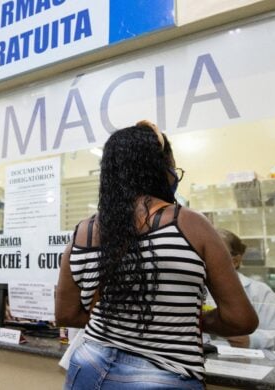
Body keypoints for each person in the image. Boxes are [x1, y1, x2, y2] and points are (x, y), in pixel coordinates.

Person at [55, 120, 258, 389]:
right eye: (173, 167)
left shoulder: (84, 231)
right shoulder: (191, 226)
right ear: (160, 170)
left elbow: (66, 313)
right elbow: (241, 319)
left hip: (89, 366)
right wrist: (186, 320)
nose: (175, 175)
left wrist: (119, 317)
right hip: (162, 375)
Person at [205, 229, 275, 351]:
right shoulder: (193, 290)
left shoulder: (259, 291)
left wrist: (253, 340)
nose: (205, 258)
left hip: (246, 364)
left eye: (214, 252)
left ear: (235, 261)